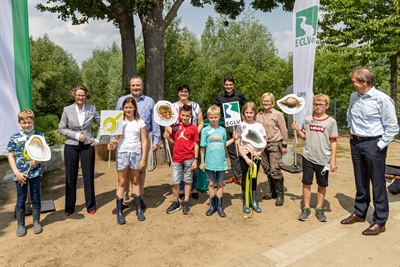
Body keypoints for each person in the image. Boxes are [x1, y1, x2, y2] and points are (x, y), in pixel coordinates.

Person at [340, 67, 399, 235]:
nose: (352, 84)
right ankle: (359, 212)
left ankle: (380, 221)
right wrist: (351, 127)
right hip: (356, 143)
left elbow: (392, 126)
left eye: (354, 81)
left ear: (364, 82)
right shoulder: (354, 97)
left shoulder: (382, 99)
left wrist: (380, 145)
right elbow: (349, 113)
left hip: (374, 144)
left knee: (378, 182)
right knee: (360, 180)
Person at [112, 76, 161, 214]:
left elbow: (155, 121)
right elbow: (114, 121)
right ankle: (124, 201)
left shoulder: (150, 101)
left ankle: (139, 198)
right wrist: (113, 141)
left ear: (142, 86)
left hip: (143, 140)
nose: (136, 88)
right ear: (130, 87)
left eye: (138, 85)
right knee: (123, 173)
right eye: (133, 85)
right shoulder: (122, 101)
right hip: (124, 141)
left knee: (140, 172)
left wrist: (156, 140)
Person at [292, 93, 338, 222]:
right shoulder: (307, 119)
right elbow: (304, 136)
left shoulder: (331, 122)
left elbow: (333, 141)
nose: (317, 106)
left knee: (322, 184)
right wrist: (297, 130)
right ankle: (306, 208)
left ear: (327, 106)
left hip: (323, 158)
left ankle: (319, 208)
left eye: (320, 104)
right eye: (315, 104)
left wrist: (333, 160)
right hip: (308, 156)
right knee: (306, 183)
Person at [58, 85, 100, 216]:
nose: (81, 97)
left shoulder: (92, 108)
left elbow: (103, 124)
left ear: (86, 95)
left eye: (83, 95)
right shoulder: (67, 109)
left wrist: (97, 139)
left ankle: (91, 205)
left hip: (88, 145)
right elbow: (61, 129)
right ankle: (69, 207)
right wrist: (76, 135)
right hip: (71, 145)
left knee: (88, 176)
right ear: (74, 95)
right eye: (78, 95)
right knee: (70, 177)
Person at [107, 97, 148, 224]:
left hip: (135, 154)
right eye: (126, 108)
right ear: (123, 109)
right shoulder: (119, 122)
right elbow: (116, 140)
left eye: (130, 107)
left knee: (135, 181)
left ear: (135, 108)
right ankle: (120, 211)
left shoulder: (140, 122)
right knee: (122, 182)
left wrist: (143, 158)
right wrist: (112, 145)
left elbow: (144, 141)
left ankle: (138, 209)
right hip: (122, 154)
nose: (128, 110)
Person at [7, 109, 45, 236]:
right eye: (24, 123)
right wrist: (16, 173)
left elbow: (44, 153)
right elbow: (11, 156)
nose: (27, 125)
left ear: (33, 121)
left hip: (35, 173)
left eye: (29, 122)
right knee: (21, 198)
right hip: (20, 175)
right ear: (19, 123)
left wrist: (37, 161)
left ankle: (36, 222)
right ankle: (21, 224)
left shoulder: (39, 136)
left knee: (35, 196)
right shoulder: (15, 138)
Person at [167, 84, 204, 200]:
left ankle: (194, 187)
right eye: (181, 91)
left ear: (189, 93)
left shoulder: (195, 106)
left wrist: (192, 134)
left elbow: (201, 122)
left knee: (192, 165)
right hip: (177, 139)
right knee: (180, 165)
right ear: (178, 93)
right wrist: (175, 135)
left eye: (186, 91)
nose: (183, 93)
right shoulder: (172, 106)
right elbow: (167, 123)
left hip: (192, 139)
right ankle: (182, 188)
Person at [199, 106, 236, 217]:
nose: (213, 119)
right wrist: (202, 162)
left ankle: (220, 206)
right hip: (209, 162)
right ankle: (212, 205)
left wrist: (234, 139)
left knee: (219, 183)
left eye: (215, 117)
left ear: (219, 117)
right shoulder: (205, 130)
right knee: (211, 183)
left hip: (220, 162)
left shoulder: (222, 130)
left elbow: (224, 144)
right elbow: (202, 147)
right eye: (211, 117)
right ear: (208, 118)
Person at [163, 104, 199, 215]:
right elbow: (174, 142)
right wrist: (168, 138)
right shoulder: (175, 127)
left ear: (191, 115)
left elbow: (196, 143)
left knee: (188, 180)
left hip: (189, 157)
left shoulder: (194, 128)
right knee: (175, 181)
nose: (184, 117)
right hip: (176, 158)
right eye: (183, 115)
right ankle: (175, 201)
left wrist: (195, 159)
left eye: (187, 115)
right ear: (179, 115)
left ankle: (186, 201)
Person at [256, 93, 288, 206]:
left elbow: (283, 129)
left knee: (275, 170)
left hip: (275, 143)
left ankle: (280, 195)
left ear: (272, 102)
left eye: (268, 101)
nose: (266, 103)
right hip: (262, 145)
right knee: (267, 169)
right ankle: (273, 191)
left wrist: (284, 145)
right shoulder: (258, 115)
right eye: (264, 101)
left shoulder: (278, 114)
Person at [213, 76, 247, 185]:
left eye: (230, 84)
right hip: (226, 127)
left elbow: (247, 107)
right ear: (224, 85)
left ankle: (241, 175)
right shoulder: (219, 97)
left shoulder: (239, 96)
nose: (228, 86)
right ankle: (235, 176)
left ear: (233, 85)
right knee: (232, 153)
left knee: (241, 151)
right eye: (227, 84)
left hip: (239, 127)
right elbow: (213, 110)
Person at [236, 102, 267, 214]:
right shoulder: (240, 126)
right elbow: (238, 144)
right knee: (245, 178)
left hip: (255, 156)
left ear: (255, 113)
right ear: (243, 113)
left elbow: (264, 142)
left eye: (251, 112)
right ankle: (246, 202)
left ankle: (254, 201)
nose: (249, 114)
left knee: (254, 177)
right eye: (247, 112)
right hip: (245, 156)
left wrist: (258, 152)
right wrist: (246, 158)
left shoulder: (259, 126)